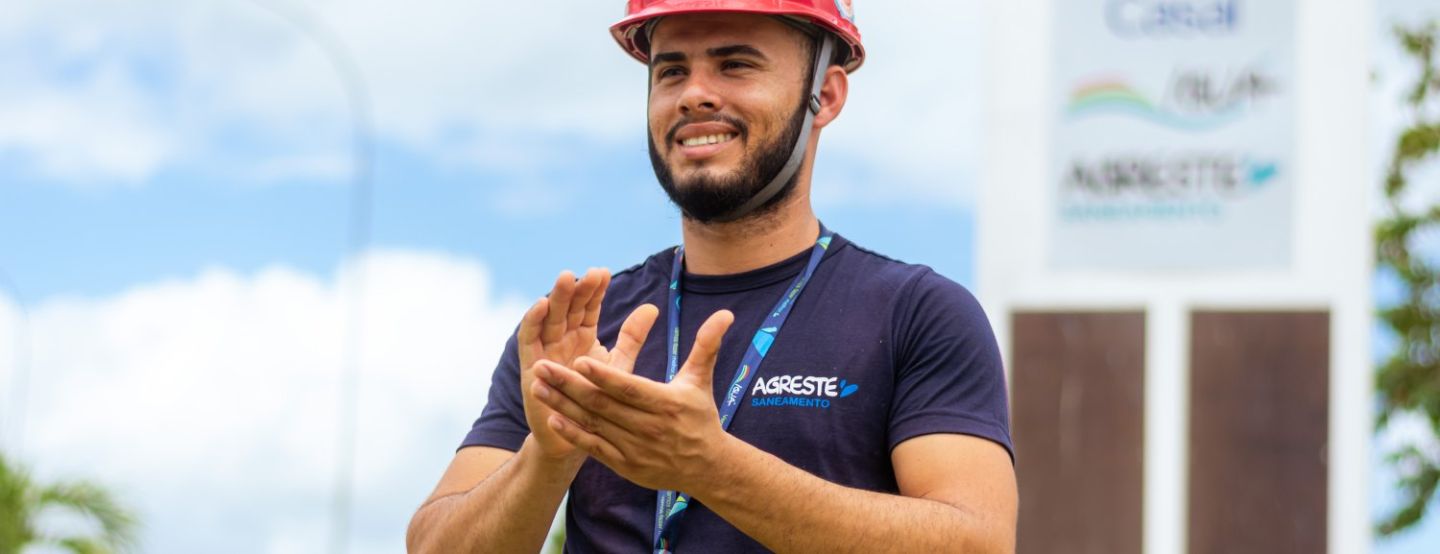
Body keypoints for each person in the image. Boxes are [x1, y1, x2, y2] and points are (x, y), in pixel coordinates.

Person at [406, 1, 1017, 552]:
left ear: (825, 97)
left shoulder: (917, 313)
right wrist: (549, 454)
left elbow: (977, 542)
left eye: (735, 65)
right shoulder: (580, 329)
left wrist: (710, 466)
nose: (694, 94)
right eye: (671, 71)